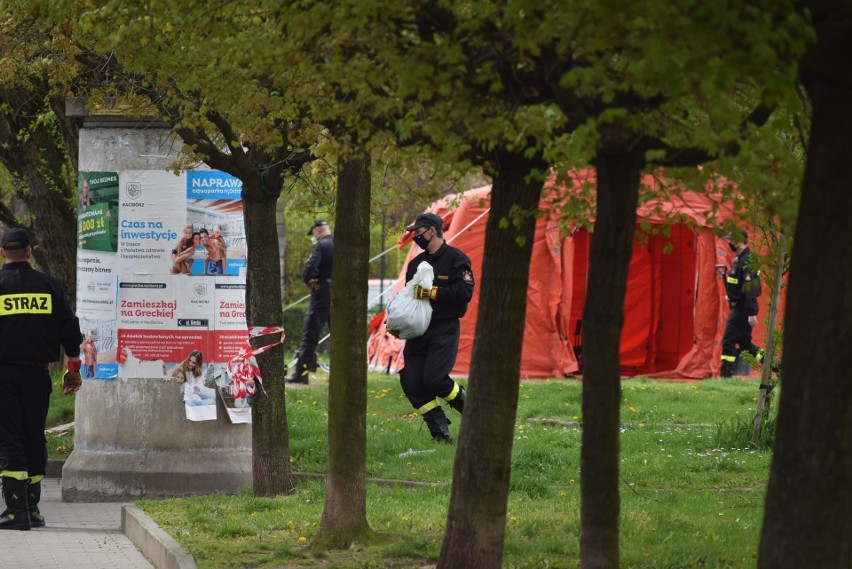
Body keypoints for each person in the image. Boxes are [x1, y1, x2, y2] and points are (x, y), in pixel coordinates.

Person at [0, 228, 83, 530]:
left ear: (2, 253)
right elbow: (70, 332)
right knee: (34, 434)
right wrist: (73, 368)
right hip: (37, 374)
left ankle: (15, 511)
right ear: (30, 252)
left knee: (10, 436)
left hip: (3, 374)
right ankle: (33, 509)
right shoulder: (49, 285)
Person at [399, 213, 474, 442]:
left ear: (432, 230)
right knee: (411, 381)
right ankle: (440, 432)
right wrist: (398, 321)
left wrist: (433, 292)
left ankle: (472, 414)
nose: (415, 237)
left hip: (444, 328)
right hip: (418, 331)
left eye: (418, 232)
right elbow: (408, 298)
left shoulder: (456, 259)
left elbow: (465, 292)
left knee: (435, 378)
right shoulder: (415, 264)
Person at [285, 219, 334, 384]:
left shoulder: (320, 246)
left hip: (321, 293)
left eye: (313, 233)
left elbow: (310, 267)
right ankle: (340, 373)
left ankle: (301, 373)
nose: (313, 236)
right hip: (338, 293)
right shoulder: (340, 243)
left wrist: (308, 280)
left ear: (317, 230)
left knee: (310, 334)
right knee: (339, 335)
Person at [720, 229, 763, 377]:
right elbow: (738, 282)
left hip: (743, 308)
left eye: (732, 239)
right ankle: (776, 367)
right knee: (745, 345)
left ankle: (725, 376)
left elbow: (750, 289)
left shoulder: (747, 261)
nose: (730, 242)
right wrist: (731, 295)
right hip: (739, 305)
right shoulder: (740, 259)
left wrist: (752, 313)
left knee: (728, 341)